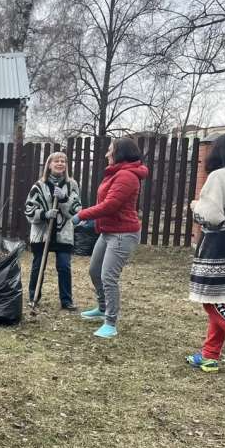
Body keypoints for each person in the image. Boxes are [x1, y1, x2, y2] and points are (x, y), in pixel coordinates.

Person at [72, 138, 149, 338]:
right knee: (95, 270)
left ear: (120, 153)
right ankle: (103, 308)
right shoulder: (116, 173)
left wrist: (82, 215)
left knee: (108, 276)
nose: (107, 154)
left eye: (110, 150)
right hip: (108, 232)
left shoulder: (127, 176)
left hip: (123, 234)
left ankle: (111, 322)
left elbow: (110, 205)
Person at [186, 132, 225, 378]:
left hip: (220, 250)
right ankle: (210, 355)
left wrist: (195, 207)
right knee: (224, 301)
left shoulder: (219, 177)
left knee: (214, 303)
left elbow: (212, 217)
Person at [24, 151, 82, 310]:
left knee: (64, 266)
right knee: (38, 266)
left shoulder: (72, 185)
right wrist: (44, 214)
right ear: (49, 165)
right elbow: (29, 210)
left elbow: (76, 210)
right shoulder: (38, 186)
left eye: (63, 161)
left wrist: (64, 199)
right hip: (42, 233)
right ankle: (33, 297)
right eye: (56, 161)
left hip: (63, 233)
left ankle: (67, 300)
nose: (60, 163)